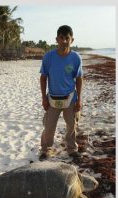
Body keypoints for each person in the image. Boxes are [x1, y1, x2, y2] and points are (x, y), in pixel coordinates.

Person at [39, 25, 83, 160]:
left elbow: (79, 78)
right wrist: (44, 99)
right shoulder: (49, 57)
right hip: (52, 98)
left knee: (71, 125)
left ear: (72, 40)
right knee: (49, 126)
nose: (64, 41)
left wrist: (79, 100)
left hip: (70, 97)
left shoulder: (76, 58)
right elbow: (43, 77)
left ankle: (72, 149)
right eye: (61, 38)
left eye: (67, 38)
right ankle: (45, 149)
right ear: (57, 39)